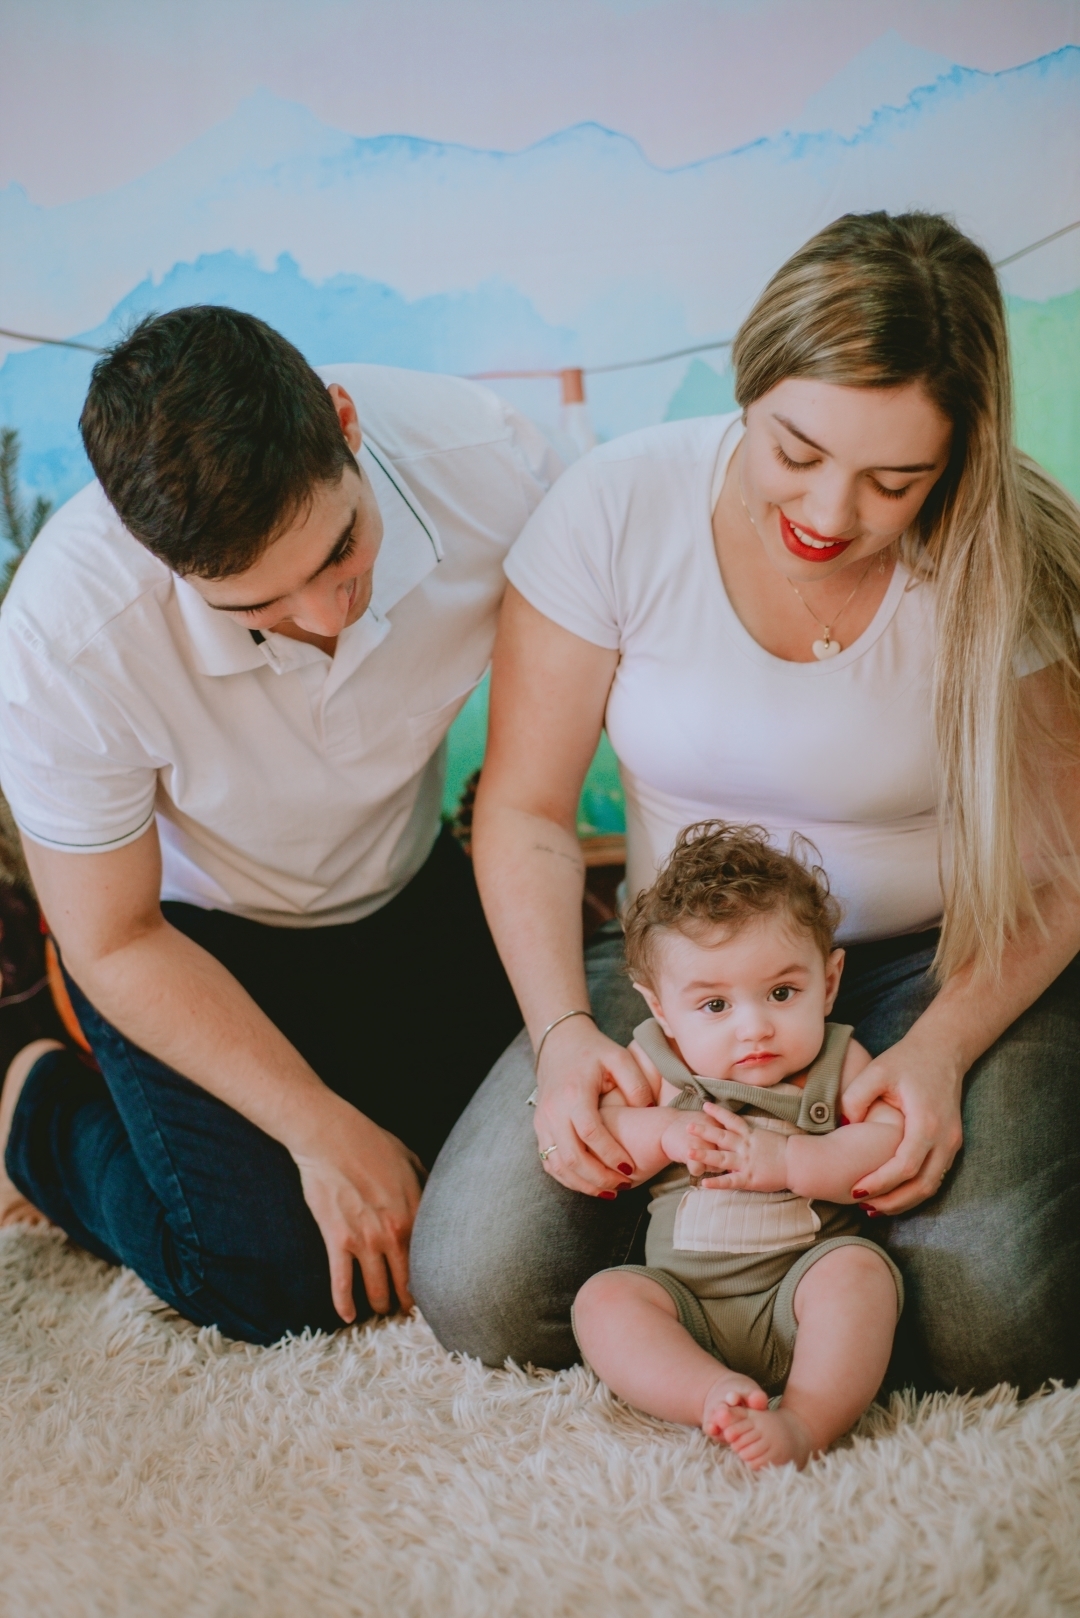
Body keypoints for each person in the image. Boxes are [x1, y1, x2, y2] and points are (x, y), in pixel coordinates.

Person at [410, 210, 1080, 1395]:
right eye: (795, 450)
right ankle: (751, 1247)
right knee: (482, 1287)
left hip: (942, 960)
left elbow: (1065, 863)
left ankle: (815, 1245)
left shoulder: (1000, 553)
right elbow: (522, 810)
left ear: (958, 459)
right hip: (692, 969)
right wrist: (569, 1038)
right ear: (750, 383)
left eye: (894, 480)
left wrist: (939, 1050)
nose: (829, 513)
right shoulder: (617, 510)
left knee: (995, 1329)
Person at [0, 307, 561, 1344]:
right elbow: (113, 936)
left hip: (405, 883)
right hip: (189, 940)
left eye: (339, 550)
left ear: (344, 422)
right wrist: (319, 1129)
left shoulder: (497, 465)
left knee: (515, 1204)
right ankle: (34, 1108)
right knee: (272, 1273)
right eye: (259, 603)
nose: (326, 614)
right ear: (160, 559)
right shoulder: (62, 638)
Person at [573, 821, 904, 1470]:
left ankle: (808, 1418)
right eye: (715, 1006)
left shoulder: (836, 1062)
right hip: (686, 1305)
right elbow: (606, 1134)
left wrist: (792, 1161)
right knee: (605, 1301)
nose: (755, 1027)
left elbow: (888, 1140)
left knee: (859, 1276)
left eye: (783, 994)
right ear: (663, 1011)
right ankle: (710, 1393)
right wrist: (665, 1133)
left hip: (799, 1292)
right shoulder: (662, 1068)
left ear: (828, 983)